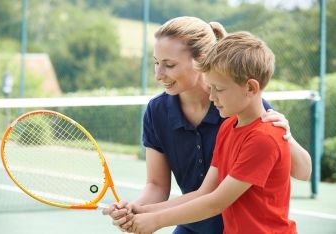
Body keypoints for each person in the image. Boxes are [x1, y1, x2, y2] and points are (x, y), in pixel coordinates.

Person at [103, 16, 311, 234]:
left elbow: (216, 200)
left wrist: (285, 133)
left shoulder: (248, 114)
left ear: (200, 61)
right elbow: (200, 192)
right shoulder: (168, 113)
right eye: (156, 63)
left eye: (169, 65)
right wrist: (140, 210)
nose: (158, 75)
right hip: (194, 223)